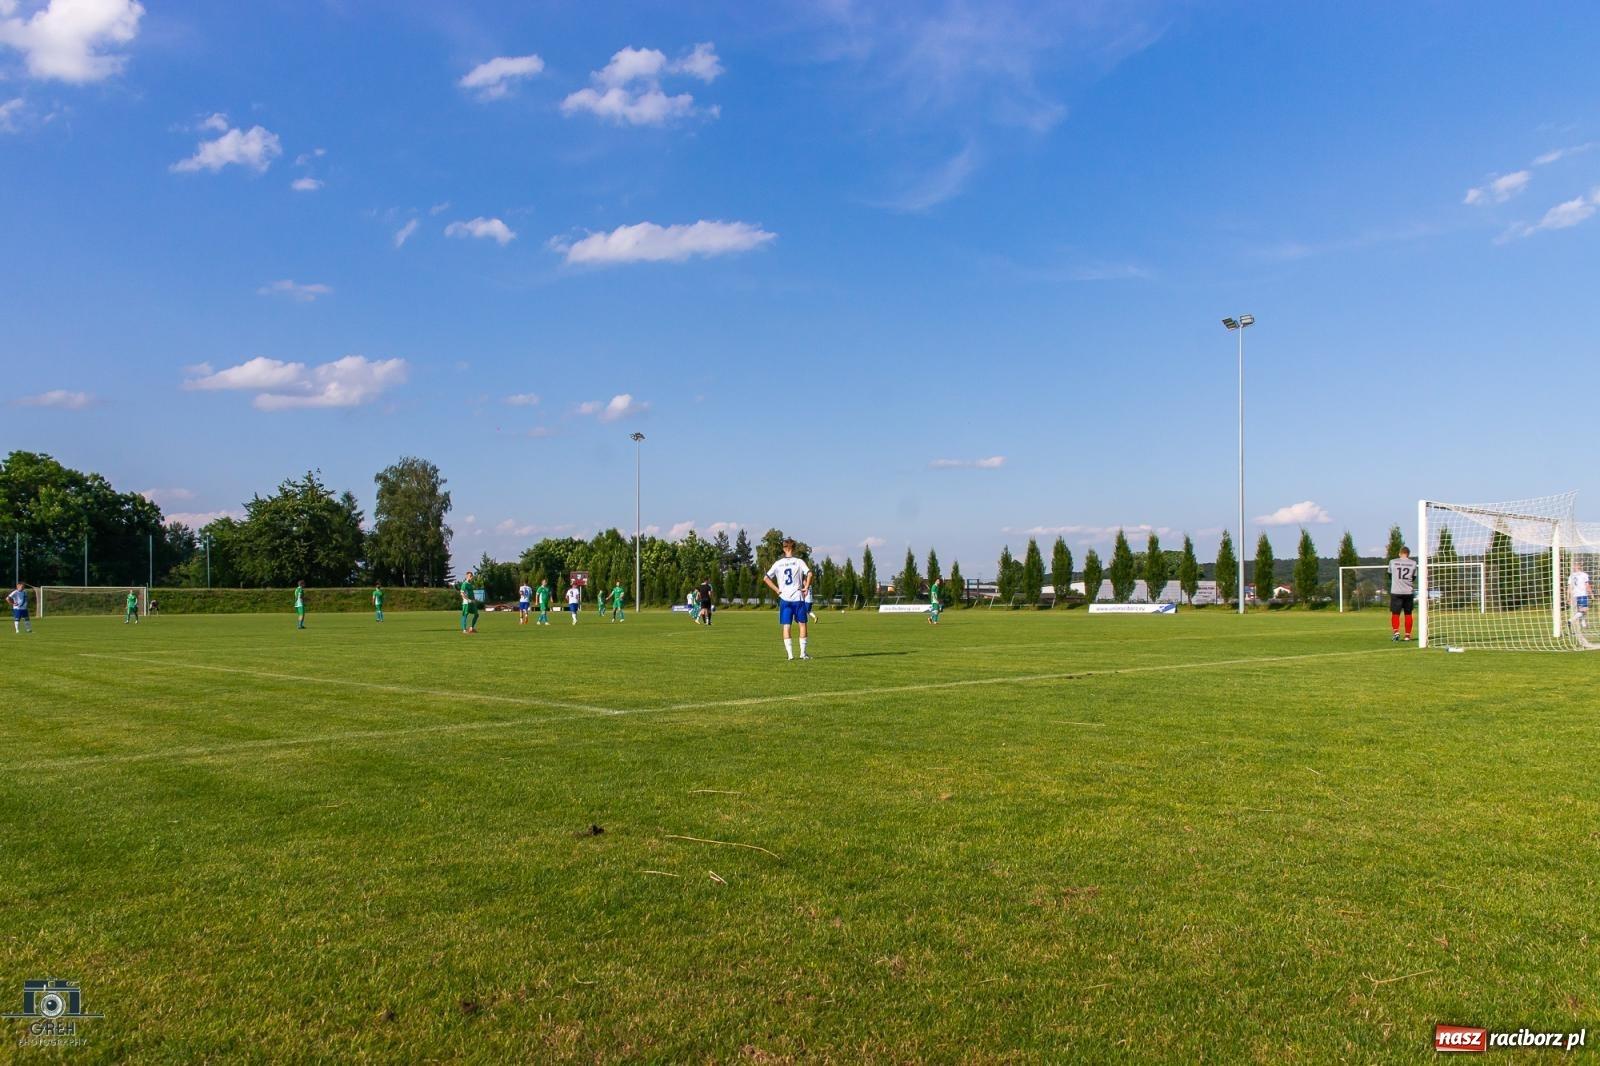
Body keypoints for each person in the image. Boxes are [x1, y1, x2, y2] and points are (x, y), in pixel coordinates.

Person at [762, 538, 812, 660]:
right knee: (802, 625)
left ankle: (790, 655)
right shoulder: (799, 562)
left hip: (784, 599)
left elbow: (766, 578)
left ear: (784, 549)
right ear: (793, 549)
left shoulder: (778, 563)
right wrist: (806, 587)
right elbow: (810, 573)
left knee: (786, 625)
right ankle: (803, 653)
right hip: (798, 598)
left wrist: (776, 589)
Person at [1388, 546, 1417, 642]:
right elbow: (1413, 577)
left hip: (1396, 591)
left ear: (1400, 553)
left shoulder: (1392, 562)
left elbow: (1390, 575)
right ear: (1408, 554)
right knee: (1408, 614)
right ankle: (1407, 636)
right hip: (1408, 592)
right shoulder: (1413, 563)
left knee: (1395, 613)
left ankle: (1396, 631)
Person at [1571, 560, 1593, 630]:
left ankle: (1583, 623)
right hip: (1582, 594)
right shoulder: (1584, 575)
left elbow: (1569, 587)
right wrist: (1591, 593)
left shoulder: (1572, 575)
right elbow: (1587, 585)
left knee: (1581, 609)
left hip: (1575, 595)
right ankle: (1571, 620)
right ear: (1580, 567)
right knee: (1584, 610)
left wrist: (1568, 596)